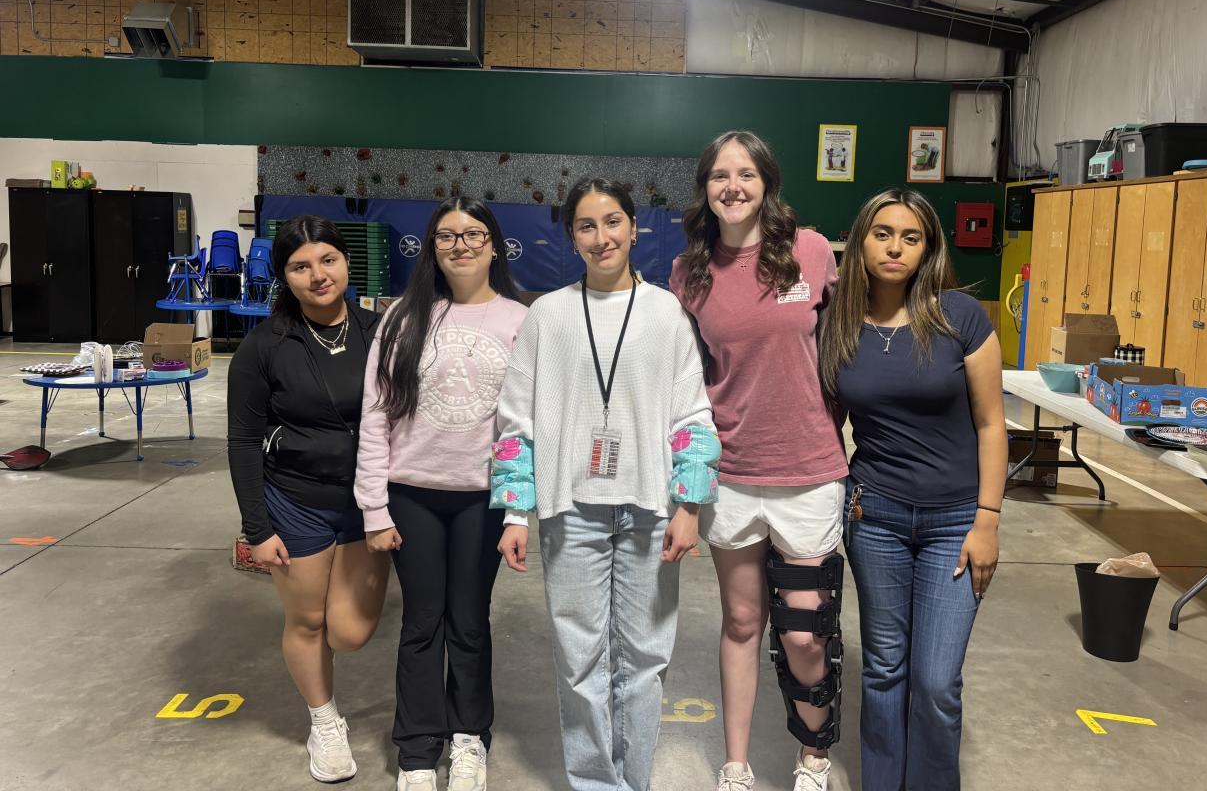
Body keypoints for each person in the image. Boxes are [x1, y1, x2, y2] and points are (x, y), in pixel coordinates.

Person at [491, 177, 721, 791]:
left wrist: (689, 505)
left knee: (646, 660)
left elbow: (692, 415)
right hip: (570, 511)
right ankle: (596, 782)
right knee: (579, 661)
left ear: (634, 227)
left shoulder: (665, 312)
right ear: (572, 236)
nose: (602, 237)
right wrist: (515, 513)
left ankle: (633, 780)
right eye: (587, 226)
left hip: (650, 508)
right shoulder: (548, 315)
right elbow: (516, 419)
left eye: (613, 221)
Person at [670, 130, 847, 791]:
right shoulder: (689, 273)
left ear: (767, 183)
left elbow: (844, 344)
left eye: (746, 173)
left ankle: (813, 758)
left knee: (805, 634)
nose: (733, 186)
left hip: (809, 471)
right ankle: (736, 765)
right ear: (705, 188)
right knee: (743, 621)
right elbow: (684, 381)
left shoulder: (811, 252)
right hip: (733, 473)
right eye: (720, 175)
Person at [818, 187, 1005, 791]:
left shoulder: (960, 317)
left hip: (957, 522)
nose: (895, 247)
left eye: (910, 237)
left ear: (928, 248)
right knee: (883, 670)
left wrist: (987, 521)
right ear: (861, 242)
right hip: (875, 517)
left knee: (936, 681)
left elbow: (991, 423)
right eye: (882, 234)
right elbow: (822, 421)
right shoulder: (837, 324)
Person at [355, 199, 527, 791]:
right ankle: (418, 750)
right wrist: (374, 508)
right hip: (413, 496)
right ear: (432, 247)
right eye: (447, 235)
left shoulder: (520, 321)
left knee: (470, 623)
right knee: (422, 622)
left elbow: (525, 426)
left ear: (494, 245)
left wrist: (519, 509)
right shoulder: (403, 319)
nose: (461, 245)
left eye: (473, 234)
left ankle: (469, 736)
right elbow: (375, 415)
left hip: (483, 498)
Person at [227, 215, 389, 784]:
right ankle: (324, 720)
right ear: (284, 275)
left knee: (350, 632)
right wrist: (257, 527)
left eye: (328, 260)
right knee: (307, 620)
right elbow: (243, 441)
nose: (318, 275)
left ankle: (327, 686)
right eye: (300, 266)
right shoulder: (263, 347)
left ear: (346, 263)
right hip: (294, 500)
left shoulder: (380, 332)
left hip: (367, 503)